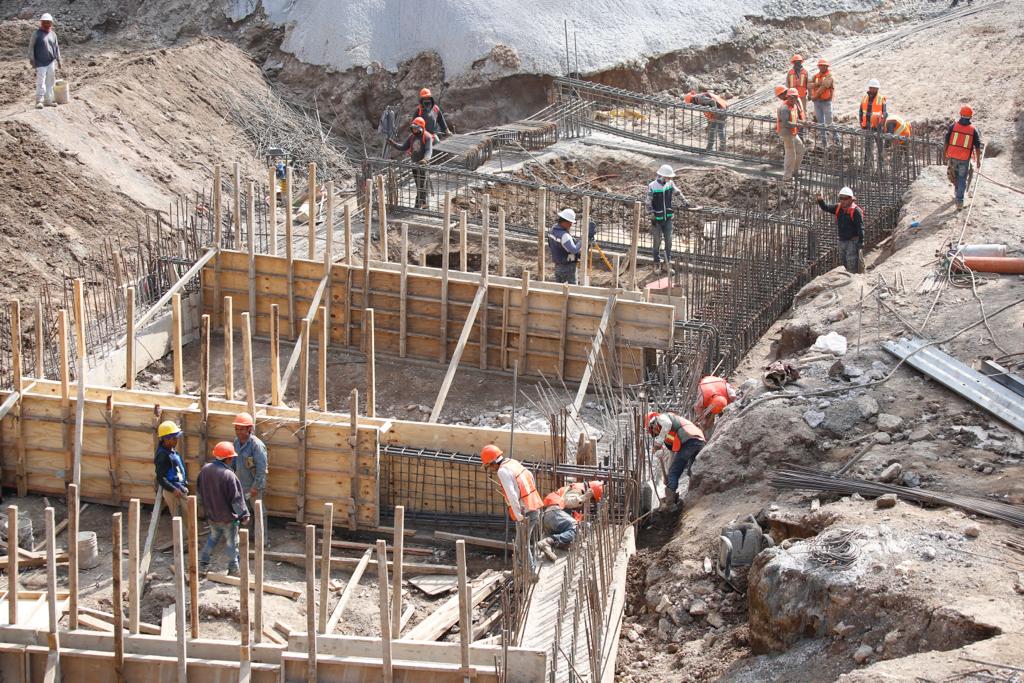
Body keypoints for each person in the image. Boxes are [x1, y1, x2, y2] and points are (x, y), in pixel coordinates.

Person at [480, 445, 543, 576]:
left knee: (522, 544)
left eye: (489, 467)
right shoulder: (513, 462)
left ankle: (532, 573)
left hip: (525, 511)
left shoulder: (502, 471)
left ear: (493, 463)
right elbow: (530, 476)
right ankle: (519, 570)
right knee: (521, 543)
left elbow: (511, 494)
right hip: (533, 505)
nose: (490, 470)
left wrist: (519, 515)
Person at [197, 441, 250, 577]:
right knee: (232, 542)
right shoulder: (228, 475)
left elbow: (199, 491)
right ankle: (234, 568)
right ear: (229, 458)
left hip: (212, 515)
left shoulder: (205, 469)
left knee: (212, 539)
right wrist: (243, 515)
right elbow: (236, 499)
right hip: (228, 518)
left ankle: (203, 565)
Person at [645, 411, 705, 508]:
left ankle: (670, 505)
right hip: (698, 440)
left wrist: (659, 442)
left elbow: (667, 424)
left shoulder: (662, 418)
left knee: (675, 473)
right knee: (691, 471)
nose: (655, 434)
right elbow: (673, 454)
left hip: (689, 440)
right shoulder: (669, 435)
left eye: (653, 431)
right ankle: (693, 497)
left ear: (653, 424)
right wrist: (668, 475)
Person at [536, 480, 604, 561]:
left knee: (578, 530)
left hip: (553, 519)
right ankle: (548, 541)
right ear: (591, 492)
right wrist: (583, 497)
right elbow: (567, 501)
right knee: (576, 529)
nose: (591, 502)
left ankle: (550, 545)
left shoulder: (577, 491)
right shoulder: (578, 489)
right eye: (592, 499)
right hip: (554, 513)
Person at [646, 164, 691, 274]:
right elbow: (648, 202)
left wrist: (685, 202)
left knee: (669, 242)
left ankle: (667, 264)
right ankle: (656, 264)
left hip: (667, 218)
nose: (670, 179)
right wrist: (651, 214)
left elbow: (678, 193)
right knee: (657, 242)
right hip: (657, 219)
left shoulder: (670, 184)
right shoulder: (652, 186)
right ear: (662, 176)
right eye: (668, 177)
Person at [232, 412, 268, 544]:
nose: (238, 431)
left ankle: (262, 540)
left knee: (259, 513)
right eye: (236, 428)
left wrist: (256, 487)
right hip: (241, 485)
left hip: (253, 486)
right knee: (244, 513)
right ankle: (248, 538)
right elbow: (233, 463)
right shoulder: (236, 443)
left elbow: (262, 469)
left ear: (249, 429)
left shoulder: (256, 445)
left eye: (241, 429)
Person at [387, 117, 433, 208]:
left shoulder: (427, 137)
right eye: (413, 128)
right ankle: (424, 204)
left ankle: (418, 205)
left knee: (422, 185)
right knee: (419, 184)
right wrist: (393, 144)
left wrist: (425, 159)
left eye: (416, 128)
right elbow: (403, 147)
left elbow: (429, 150)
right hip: (414, 164)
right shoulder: (412, 137)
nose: (414, 130)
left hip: (423, 165)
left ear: (421, 127)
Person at [816, 186, 864, 273]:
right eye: (841, 198)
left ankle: (852, 281)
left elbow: (860, 227)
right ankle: (845, 279)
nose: (842, 200)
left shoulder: (856, 211)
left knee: (851, 262)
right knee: (842, 262)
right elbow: (825, 207)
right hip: (842, 240)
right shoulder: (838, 207)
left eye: (845, 198)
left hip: (852, 241)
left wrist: (861, 242)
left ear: (850, 199)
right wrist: (820, 200)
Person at [944, 105, 982, 211]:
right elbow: (977, 146)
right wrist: (978, 161)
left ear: (960, 114)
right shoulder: (973, 130)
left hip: (952, 156)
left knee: (954, 175)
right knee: (961, 178)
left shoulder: (953, 126)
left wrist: (945, 153)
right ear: (971, 116)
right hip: (964, 159)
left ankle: (957, 193)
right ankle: (959, 201)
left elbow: (946, 141)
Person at [154, 420, 189, 518]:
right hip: (173, 492)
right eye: (174, 438)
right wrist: (173, 489)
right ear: (166, 439)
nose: (176, 440)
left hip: (180, 488)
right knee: (179, 519)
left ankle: (187, 534)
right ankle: (183, 534)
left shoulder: (171, 450)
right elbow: (161, 477)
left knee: (187, 517)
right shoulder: (162, 455)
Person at [28, 13, 61, 109]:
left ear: (51, 23)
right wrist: (32, 59)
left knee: (50, 81)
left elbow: (56, 47)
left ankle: (48, 100)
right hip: (40, 62)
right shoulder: (36, 34)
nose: (47, 24)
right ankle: (39, 101)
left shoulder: (53, 34)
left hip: (51, 61)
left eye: (49, 22)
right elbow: (31, 47)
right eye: (45, 22)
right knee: (41, 82)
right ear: (42, 23)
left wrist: (59, 60)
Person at [777, 88, 805, 183]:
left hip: (793, 132)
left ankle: (795, 171)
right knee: (790, 154)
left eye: (794, 98)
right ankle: (787, 177)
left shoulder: (794, 106)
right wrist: (797, 125)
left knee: (800, 149)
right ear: (787, 97)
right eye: (791, 98)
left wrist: (804, 123)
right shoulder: (784, 108)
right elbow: (785, 123)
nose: (792, 99)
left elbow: (794, 119)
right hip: (786, 133)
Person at [548, 208, 581, 284]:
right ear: (565, 221)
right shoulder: (564, 236)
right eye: (570, 222)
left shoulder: (553, 230)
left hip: (558, 266)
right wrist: (582, 241)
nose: (571, 225)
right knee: (571, 291)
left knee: (559, 291)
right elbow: (574, 250)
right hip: (568, 268)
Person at [858, 79, 887, 168]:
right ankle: (867, 166)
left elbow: (885, 113)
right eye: (872, 88)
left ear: (878, 89)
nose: (873, 90)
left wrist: (882, 124)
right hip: (867, 126)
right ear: (869, 88)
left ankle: (881, 166)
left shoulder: (881, 98)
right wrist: (861, 123)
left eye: (875, 88)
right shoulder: (864, 98)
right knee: (867, 147)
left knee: (880, 148)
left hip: (877, 127)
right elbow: (861, 112)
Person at [810, 59, 838, 146]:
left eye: (823, 66)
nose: (822, 67)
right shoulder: (815, 76)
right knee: (820, 123)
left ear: (826, 66)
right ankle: (824, 142)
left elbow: (825, 86)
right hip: (817, 102)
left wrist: (815, 95)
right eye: (820, 65)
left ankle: (837, 139)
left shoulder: (830, 76)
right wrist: (818, 84)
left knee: (829, 121)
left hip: (826, 102)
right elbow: (809, 85)